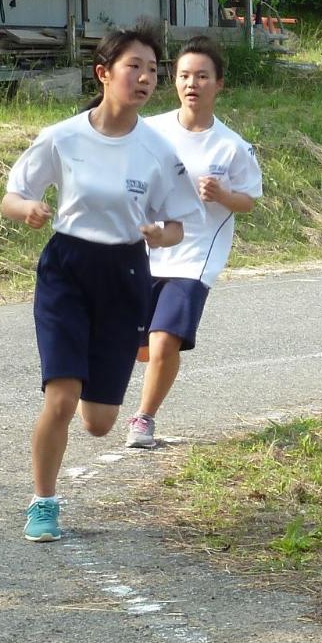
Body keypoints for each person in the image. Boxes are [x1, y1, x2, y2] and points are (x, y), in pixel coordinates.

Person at [3, 26, 202, 542]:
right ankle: (43, 503)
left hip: (125, 274)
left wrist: (162, 233)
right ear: (104, 73)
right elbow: (13, 195)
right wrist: (28, 208)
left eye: (153, 70)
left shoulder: (157, 150)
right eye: (134, 66)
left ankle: (96, 414)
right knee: (62, 398)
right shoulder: (64, 136)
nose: (145, 78)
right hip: (66, 269)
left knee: (98, 422)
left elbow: (180, 221)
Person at [126, 36, 264, 449]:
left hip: (195, 258)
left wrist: (222, 195)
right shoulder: (150, 131)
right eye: (185, 75)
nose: (193, 84)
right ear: (175, 81)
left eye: (202, 76)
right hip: (145, 252)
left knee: (165, 338)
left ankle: (143, 420)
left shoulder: (232, 146)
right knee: (141, 346)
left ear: (218, 84)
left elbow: (249, 201)